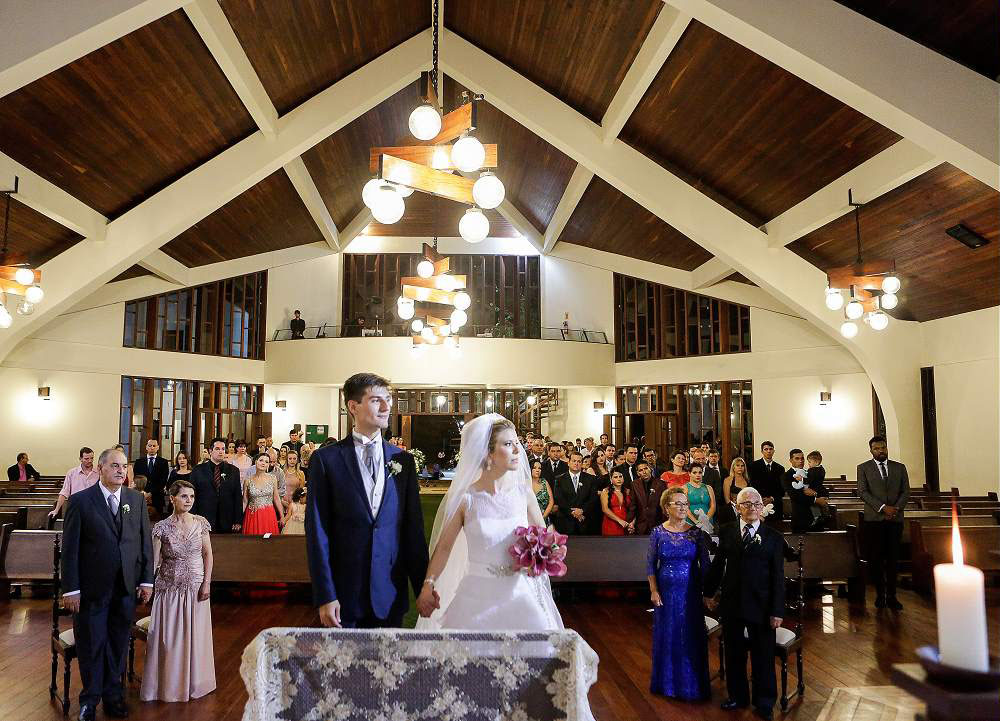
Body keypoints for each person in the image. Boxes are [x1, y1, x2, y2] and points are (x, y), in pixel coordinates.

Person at [415, 414, 564, 631]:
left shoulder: (524, 493)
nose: (517, 450)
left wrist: (546, 552)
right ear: (488, 454)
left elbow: (545, 537)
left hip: (520, 594)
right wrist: (428, 585)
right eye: (508, 444)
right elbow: (444, 548)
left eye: (517, 443)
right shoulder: (466, 499)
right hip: (477, 595)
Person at [305, 372, 429, 628]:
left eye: (388, 399)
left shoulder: (402, 461)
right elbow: (318, 532)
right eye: (376, 400)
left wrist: (422, 588)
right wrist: (326, 595)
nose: (386, 407)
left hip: (390, 594)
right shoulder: (326, 460)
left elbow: (413, 531)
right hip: (344, 595)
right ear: (353, 406)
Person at [61, 448, 153, 721]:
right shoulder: (80, 501)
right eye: (114, 465)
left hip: (125, 588)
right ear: (100, 468)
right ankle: (89, 700)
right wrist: (71, 589)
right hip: (91, 590)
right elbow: (70, 550)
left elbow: (144, 543)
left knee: (117, 644)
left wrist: (146, 580)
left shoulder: (135, 500)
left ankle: (114, 696)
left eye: (124, 466)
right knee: (91, 644)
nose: (120, 470)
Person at [704, 487, 785, 721]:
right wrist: (708, 592)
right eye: (746, 504)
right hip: (733, 602)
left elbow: (778, 576)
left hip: (762, 605)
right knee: (734, 653)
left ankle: (765, 702)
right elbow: (719, 564)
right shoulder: (728, 531)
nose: (752, 508)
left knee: (763, 655)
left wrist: (777, 610)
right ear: (738, 508)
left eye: (756, 504)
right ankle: (738, 696)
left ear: (762, 507)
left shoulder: (773, 537)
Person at [140, 480, 215, 702]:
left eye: (192, 496)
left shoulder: (201, 523)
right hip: (169, 588)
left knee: (196, 636)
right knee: (169, 638)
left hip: (196, 586)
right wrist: (147, 585)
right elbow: (154, 561)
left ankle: (196, 682)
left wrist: (207, 583)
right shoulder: (161, 527)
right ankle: (169, 685)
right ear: (172, 498)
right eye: (184, 496)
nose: (189, 500)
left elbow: (208, 554)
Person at [648, 487, 712, 701]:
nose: (684, 507)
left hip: (690, 594)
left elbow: (706, 566)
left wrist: (709, 594)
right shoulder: (657, 532)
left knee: (689, 635)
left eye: (686, 504)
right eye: (678, 503)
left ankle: (690, 685)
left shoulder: (696, 533)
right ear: (667, 508)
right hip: (665, 595)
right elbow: (650, 564)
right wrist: (654, 590)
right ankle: (667, 684)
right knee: (668, 635)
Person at [857, 435, 910, 611]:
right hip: (874, 520)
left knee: (893, 558)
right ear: (871, 450)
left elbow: (905, 491)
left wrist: (895, 509)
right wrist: (882, 508)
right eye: (877, 448)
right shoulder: (863, 468)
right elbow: (863, 492)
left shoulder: (899, 467)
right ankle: (880, 595)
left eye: (883, 448)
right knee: (877, 559)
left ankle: (892, 596)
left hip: (895, 519)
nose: (881, 451)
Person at [190, 439, 243, 533]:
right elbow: (192, 495)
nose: (221, 452)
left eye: (223, 449)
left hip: (227, 519)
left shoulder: (233, 471)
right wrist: (192, 517)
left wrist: (237, 520)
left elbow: (237, 496)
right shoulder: (198, 470)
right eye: (217, 449)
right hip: (203, 518)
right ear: (210, 451)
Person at [552, 451, 597, 536]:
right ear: (568, 463)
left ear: (582, 464)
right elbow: (559, 499)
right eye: (574, 461)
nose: (576, 463)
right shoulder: (559, 479)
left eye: (579, 461)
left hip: (584, 521)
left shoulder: (590, 479)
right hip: (566, 522)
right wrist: (573, 512)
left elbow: (593, 498)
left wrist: (582, 510)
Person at [49, 447, 99, 519]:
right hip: (76, 508)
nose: (90, 461)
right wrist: (56, 510)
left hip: (94, 509)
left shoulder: (99, 473)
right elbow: (64, 492)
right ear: (80, 459)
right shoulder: (71, 473)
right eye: (86, 459)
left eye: (92, 458)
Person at [242, 453, 283, 535]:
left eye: (266, 462)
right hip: (252, 515)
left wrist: (282, 516)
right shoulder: (248, 480)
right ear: (256, 462)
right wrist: (238, 518)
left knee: (269, 540)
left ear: (268, 465)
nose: (263, 463)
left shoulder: (273, 478)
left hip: (268, 514)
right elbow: (245, 501)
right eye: (261, 460)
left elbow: (276, 498)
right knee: (252, 540)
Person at [749, 441, 785, 529]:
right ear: (762, 451)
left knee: (776, 531)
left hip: (775, 505)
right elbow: (752, 486)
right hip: (758, 504)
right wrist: (760, 499)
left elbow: (782, 489)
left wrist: (772, 498)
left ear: (773, 451)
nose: (768, 451)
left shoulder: (780, 468)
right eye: (766, 449)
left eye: (770, 449)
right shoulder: (753, 466)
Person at [133, 438, 171, 517]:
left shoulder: (163, 462)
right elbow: (136, 479)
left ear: (158, 447)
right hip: (141, 497)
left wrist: (150, 493)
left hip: (157, 498)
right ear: (146, 447)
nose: (152, 448)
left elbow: (163, 481)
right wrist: (144, 492)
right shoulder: (139, 462)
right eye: (150, 446)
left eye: (154, 446)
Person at [600, 470, 635, 535]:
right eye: (615, 477)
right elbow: (605, 509)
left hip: (626, 524)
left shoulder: (628, 491)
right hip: (610, 523)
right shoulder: (605, 491)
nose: (619, 479)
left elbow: (634, 508)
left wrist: (632, 522)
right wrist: (619, 520)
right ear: (611, 479)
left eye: (620, 476)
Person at [683, 464, 716, 534]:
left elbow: (713, 506)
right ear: (689, 473)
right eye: (694, 472)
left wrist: (706, 520)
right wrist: (696, 522)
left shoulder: (709, 488)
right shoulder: (685, 488)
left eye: (700, 472)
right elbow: (685, 507)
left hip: (707, 521)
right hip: (690, 522)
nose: (698, 475)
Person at [720, 457, 750, 525]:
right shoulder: (728, 480)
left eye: (742, 466)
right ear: (733, 467)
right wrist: (736, 508)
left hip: (746, 509)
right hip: (732, 510)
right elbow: (727, 499)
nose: (740, 467)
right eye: (738, 465)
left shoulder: (747, 480)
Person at [629, 461, 655, 535]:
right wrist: (630, 522)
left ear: (650, 469)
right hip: (640, 524)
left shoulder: (661, 484)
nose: (644, 472)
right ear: (638, 473)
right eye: (641, 470)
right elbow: (633, 505)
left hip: (657, 523)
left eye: (646, 468)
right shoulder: (634, 484)